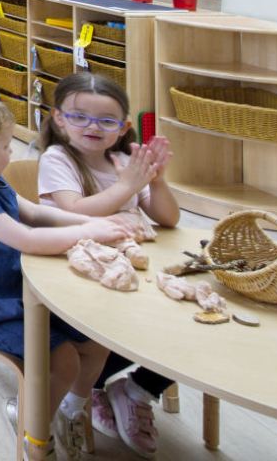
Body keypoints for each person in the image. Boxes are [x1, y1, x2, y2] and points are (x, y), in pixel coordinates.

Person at [0, 92, 132, 460]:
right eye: (6, 145)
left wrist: (94, 221)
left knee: (95, 340)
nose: (11, 152)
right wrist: (91, 233)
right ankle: (30, 424)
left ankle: (68, 409)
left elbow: (35, 214)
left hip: (7, 286)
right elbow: (28, 238)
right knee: (65, 358)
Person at [38, 72, 180, 458]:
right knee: (115, 333)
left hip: (129, 275)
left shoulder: (123, 160)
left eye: (106, 120)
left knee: (186, 325)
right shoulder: (57, 158)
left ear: (125, 127)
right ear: (59, 118)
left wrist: (157, 180)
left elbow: (168, 219)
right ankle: (93, 389)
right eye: (80, 116)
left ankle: (135, 389)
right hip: (75, 280)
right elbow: (75, 212)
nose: (92, 127)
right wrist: (128, 187)